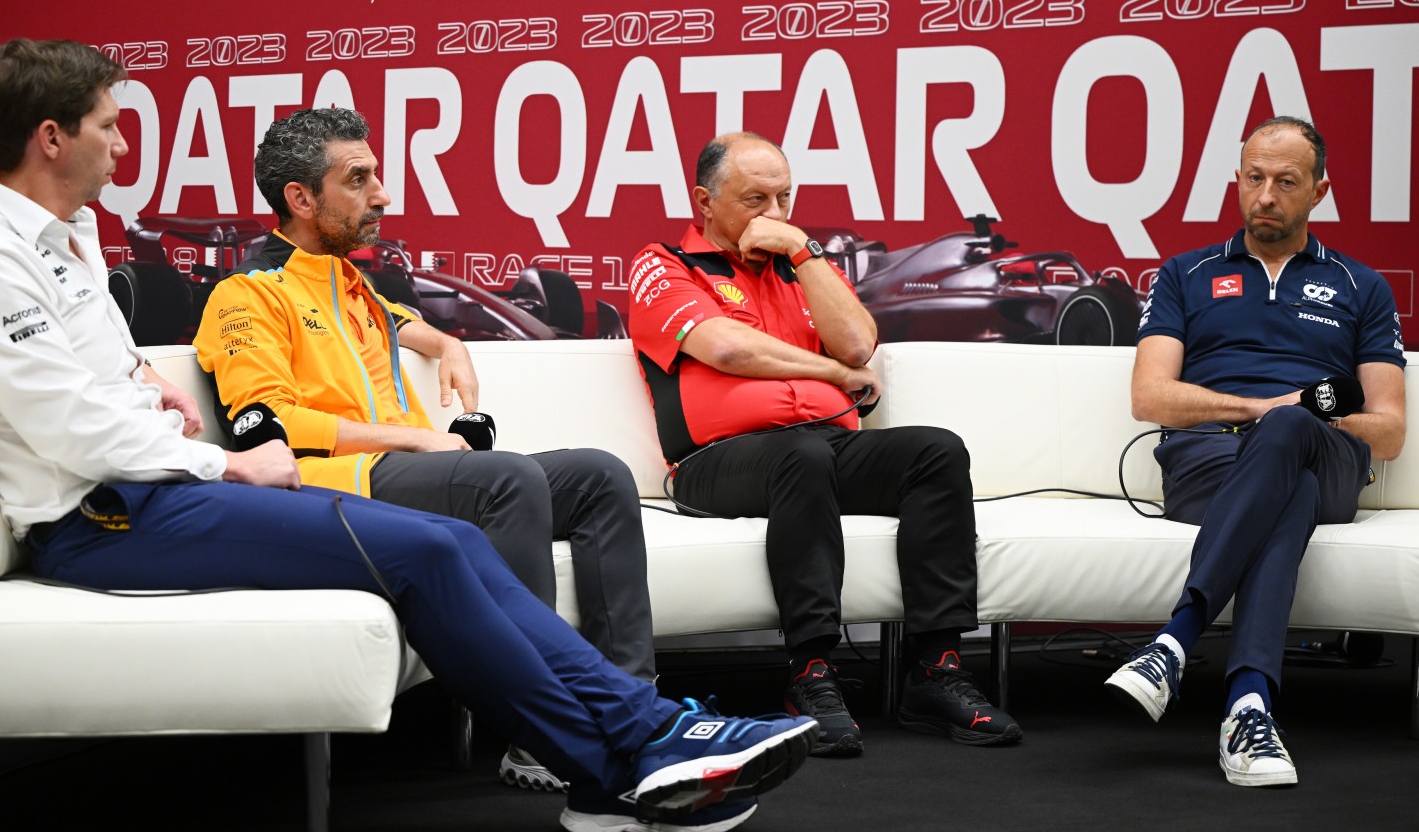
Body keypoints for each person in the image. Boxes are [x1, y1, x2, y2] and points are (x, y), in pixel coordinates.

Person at [0, 37, 817, 832]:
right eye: (107, 126)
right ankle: (620, 763)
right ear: (49, 137)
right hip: (104, 515)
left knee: (455, 540)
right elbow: (71, 431)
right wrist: (228, 458)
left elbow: (94, 379)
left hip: (156, 489)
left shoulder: (65, 239)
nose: (121, 144)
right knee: (432, 549)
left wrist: (141, 380)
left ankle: (642, 730)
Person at [193, 107, 657, 795]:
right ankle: (540, 729)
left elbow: (405, 326)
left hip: (412, 471)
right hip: (336, 487)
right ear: (300, 198)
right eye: (359, 179)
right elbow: (270, 424)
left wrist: (449, 343)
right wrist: (415, 435)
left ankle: (631, 703)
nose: (381, 194)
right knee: (505, 481)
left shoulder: (360, 291)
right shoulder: (245, 296)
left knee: (598, 474)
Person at [627, 132, 1021, 756]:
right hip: (715, 463)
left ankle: (936, 671)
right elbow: (728, 347)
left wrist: (806, 254)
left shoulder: (800, 265)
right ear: (704, 200)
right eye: (756, 199)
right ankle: (810, 673)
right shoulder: (664, 264)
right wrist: (835, 376)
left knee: (934, 451)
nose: (775, 215)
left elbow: (859, 344)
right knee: (801, 456)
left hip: (820, 446)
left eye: (785, 197)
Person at [1107, 116, 1406, 786]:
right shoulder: (1186, 274)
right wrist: (1266, 409)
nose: (1265, 194)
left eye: (1286, 181)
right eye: (1253, 178)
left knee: (1294, 435)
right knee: (1287, 473)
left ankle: (1177, 639)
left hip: (1326, 451)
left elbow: (1386, 428)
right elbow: (1150, 397)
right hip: (1208, 459)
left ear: (1320, 190)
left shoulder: (1362, 287)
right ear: (1237, 182)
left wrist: (1296, 418)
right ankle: (1248, 705)